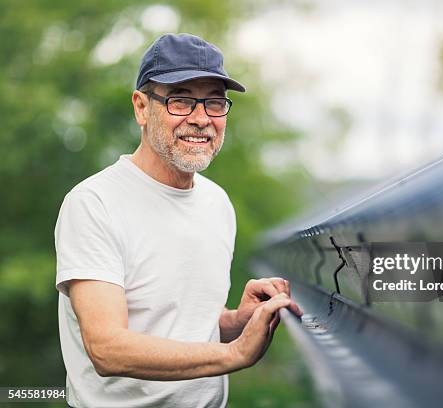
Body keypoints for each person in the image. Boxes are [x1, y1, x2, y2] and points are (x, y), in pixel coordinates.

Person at [54, 33, 302, 408]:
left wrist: (235, 321)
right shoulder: (94, 203)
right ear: (141, 107)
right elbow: (106, 348)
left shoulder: (217, 203)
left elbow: (171, 320)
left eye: (215, 103)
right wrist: (234, 354)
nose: (201, 119)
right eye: (181, 100)